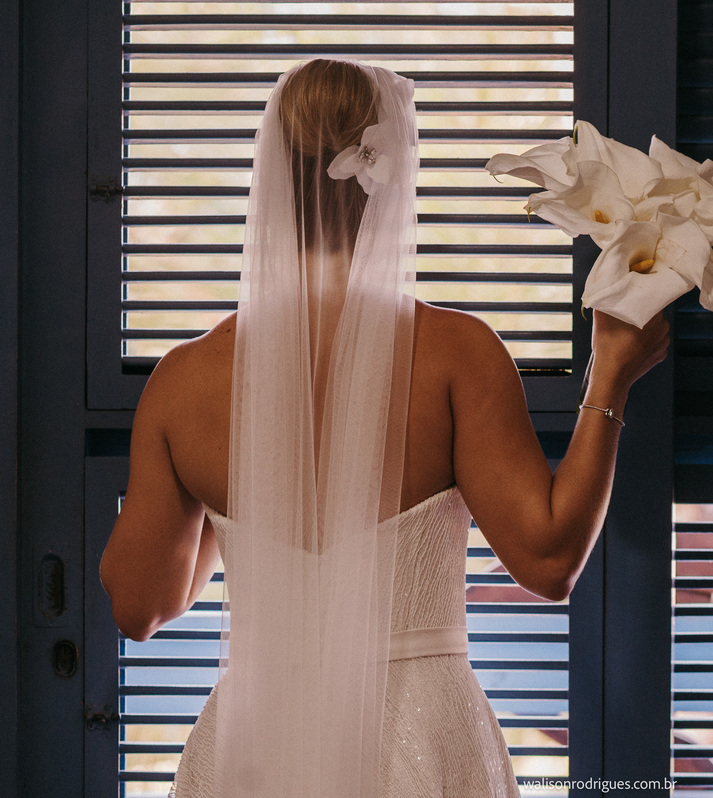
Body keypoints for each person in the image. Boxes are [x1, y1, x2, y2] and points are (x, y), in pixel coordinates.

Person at [100, 59, 668, 797]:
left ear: (274, 173)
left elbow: (140, 606)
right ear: (391, 172)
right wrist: (610, 375)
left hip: (256, 744)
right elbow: (550, 561)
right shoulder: (457, 354)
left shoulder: (185, 381)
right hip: (420, 741)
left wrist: (234, 496)